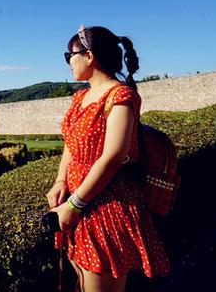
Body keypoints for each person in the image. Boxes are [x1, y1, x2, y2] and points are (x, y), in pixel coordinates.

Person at [46, 25, 170, 292]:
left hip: (104, 206)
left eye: (70, 55)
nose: (68, 62)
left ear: (89, 56)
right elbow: (72, 143)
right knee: (81, 279)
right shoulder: (80, 97)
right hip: (77, 202)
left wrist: (74, 205)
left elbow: (114, 156)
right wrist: (59, 181)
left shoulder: (121, 96)